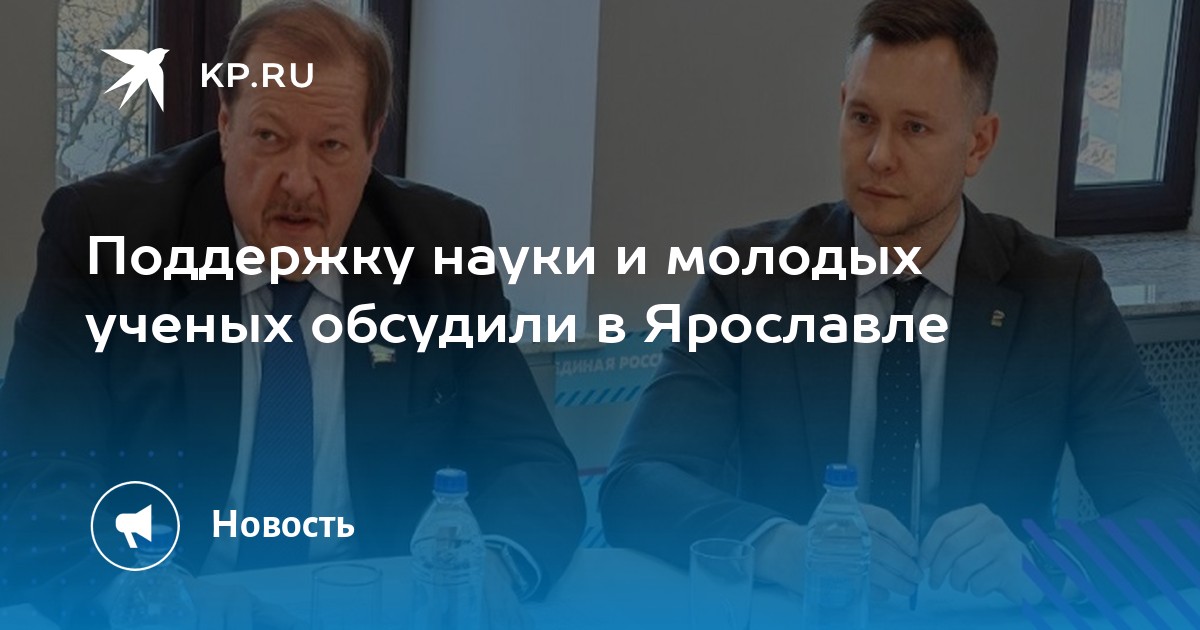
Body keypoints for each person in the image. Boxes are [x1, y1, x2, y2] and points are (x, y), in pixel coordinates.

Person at [601, 0, 1200, 609]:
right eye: (863, 118)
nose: (879, 156)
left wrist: (1043, 562)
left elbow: (1179, 513)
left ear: (978, 143)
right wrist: (784, 547)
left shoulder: (1058, 291)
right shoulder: (750, 277)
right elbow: (637, 483)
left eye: (915, 128)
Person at [0, 1, 583, 627]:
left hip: (372, 609)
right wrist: (147, 594)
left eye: (331, 145)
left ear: (372, 144)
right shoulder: (106, 236)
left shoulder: (442, 246)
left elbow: (531, 462)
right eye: (270, 138)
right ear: (226, 126)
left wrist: (492, 566)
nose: (298, 183)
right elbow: (33, 475)